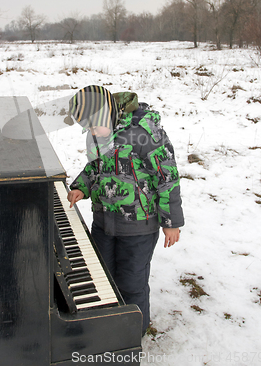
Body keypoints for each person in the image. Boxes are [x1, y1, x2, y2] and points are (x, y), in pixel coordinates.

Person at [67, 85, 184, 336]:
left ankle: (132, 333)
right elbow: (95, 167)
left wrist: (171, 222)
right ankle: (107, 327)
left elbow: (167, 178)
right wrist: (81, 186)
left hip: (138, 227)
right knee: (103, 277)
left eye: (94, 126)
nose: (91, 132)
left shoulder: (145, 134)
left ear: (109, 114)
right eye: (87, 128)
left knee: (131, 283)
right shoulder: (99, 133)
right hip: (103, 223)